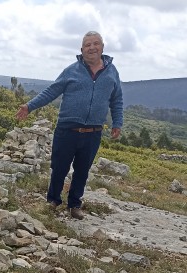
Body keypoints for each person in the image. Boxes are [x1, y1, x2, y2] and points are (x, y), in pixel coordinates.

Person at [15, 31, 123, 220]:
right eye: (88, 45)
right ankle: (53, 201)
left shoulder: (112, 72)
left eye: (95, 44)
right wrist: (29, 106)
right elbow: (51, 91)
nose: (92, 48)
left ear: (102, 47)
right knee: (59, 167)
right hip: (67, 129)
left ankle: (74, 204)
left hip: (93, 132)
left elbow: (117, 100)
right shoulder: (71, 70)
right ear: (82, 50)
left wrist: (117, 123)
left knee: (82, 170)